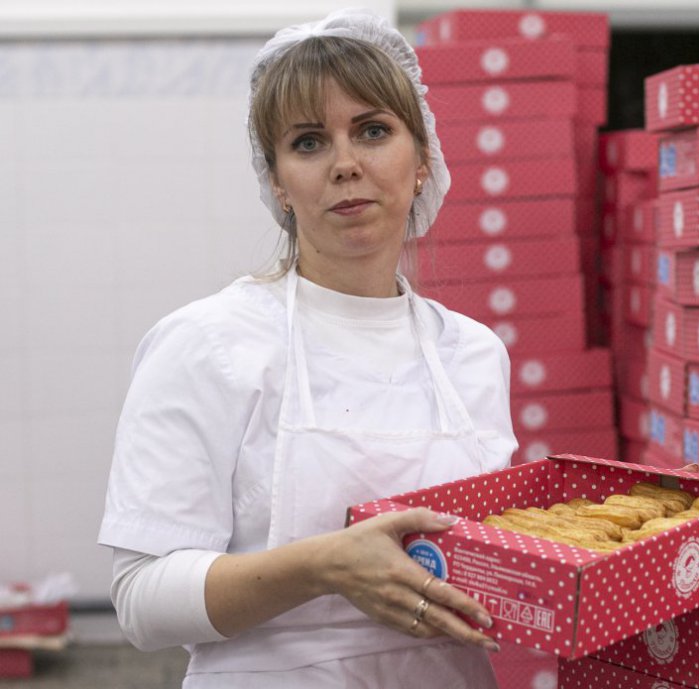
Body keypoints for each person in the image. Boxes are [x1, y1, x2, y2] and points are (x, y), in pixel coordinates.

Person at [98, 9, 518, 688]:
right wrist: (323, 566)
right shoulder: (208, 344)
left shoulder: (472, 353)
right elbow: (142, 602)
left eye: (373, 131)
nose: (346, 165)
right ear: (277, 182)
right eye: (309, 142)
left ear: (422, 162)